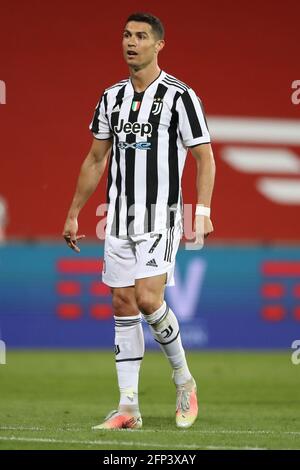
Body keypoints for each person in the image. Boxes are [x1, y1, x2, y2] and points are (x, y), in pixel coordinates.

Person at [62, 12, 215, 430]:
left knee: (148, 298)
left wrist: (201, 212)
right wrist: (75, 210)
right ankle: (128, 407)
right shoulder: (110, 97)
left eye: (142, 36)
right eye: (127, 35)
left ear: (159, 45)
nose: (132, 42)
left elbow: (204, 157)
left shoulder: (181, 96)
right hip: (117, 218)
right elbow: (96, 159)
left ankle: (184, 380)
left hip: (161, 214)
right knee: (123, 303)